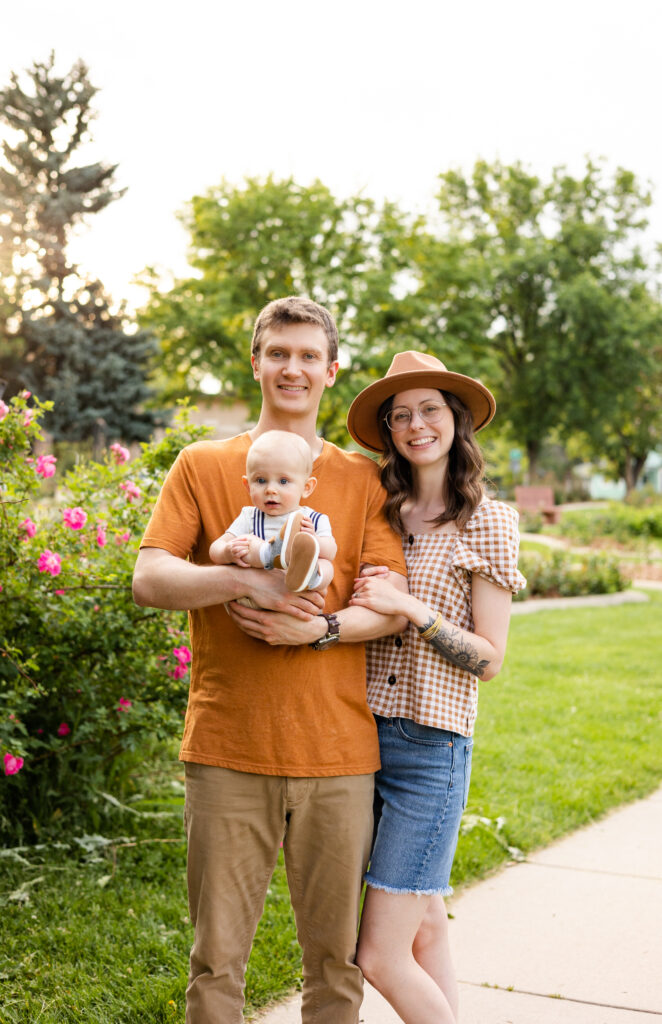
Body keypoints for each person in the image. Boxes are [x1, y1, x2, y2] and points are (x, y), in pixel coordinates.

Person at [132, 296, 407, 1024]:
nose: (293, 368)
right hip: (227, 749)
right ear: (255, 362)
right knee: (216, 962)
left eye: (308, 356)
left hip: (340, 754)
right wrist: (242, 582)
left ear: (331, 370)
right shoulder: (202, 465)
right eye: (278, 353)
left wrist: (314, 633)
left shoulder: (363, 479)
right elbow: (150, 576)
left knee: (335, 964)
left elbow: (387, 605)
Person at [345, 350, 526, 1024]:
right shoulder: (382, 511)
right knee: (423, 928)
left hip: (430, 753)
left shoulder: (488, 520)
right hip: (361, 741)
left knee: (380, 956)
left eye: (429, 409)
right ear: (389, 431)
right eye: (400, 415)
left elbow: (489, 658)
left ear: (454, 419)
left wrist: (414, 609)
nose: (415, 424)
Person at [209, 428, 336, 594]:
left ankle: (311, 578)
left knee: (327, 565)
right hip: (258, 592)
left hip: (298, 594)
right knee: (247, 541)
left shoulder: (314, 519)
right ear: (248, 486)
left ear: (306, 487)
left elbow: (332, 551)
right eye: (261, 480)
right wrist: (227, 552)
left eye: (283, 481)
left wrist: (313, 540)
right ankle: (270, 553)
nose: (270, 490)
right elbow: (215, 548)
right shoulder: (250, 516)